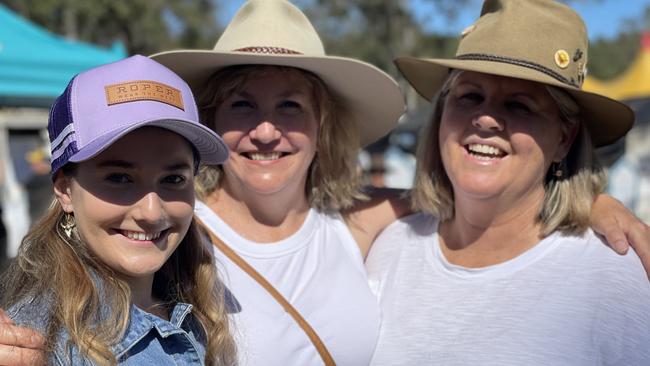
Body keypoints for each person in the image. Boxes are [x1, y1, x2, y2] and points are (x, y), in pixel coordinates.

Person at [2, 1, 650, 365]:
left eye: (290, 107)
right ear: (209, 123)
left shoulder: (365, 224)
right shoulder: (168, 225)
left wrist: (591, 201)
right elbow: (61, 291)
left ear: (323, 129)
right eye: (240, 106)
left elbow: (478, 202)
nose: (265, 132)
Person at [365, 1, 650, 364]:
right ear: (440, 117)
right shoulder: (387, 248)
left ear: (565, 138)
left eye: (519, 105)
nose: (485, 119)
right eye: (469, 96)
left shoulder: (614, 277)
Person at [0, 55, 236, 365]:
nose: (151, 212)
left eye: (174, 179)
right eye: (119, 178)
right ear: (64, 190)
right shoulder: (34, 344)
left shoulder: (198, 306)